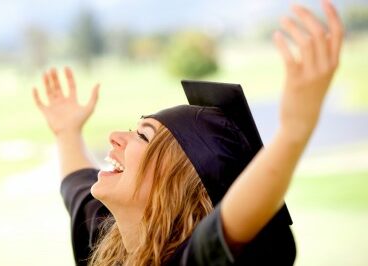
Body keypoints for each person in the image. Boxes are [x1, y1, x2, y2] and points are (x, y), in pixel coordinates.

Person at [32, 0, 343, 265]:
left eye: (142, 136)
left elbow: (232, 219)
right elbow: (77, 185)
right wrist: (67, 132)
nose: (115, 136)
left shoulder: (185, 259)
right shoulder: (109, 237)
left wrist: (293, 132)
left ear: (179, 187)